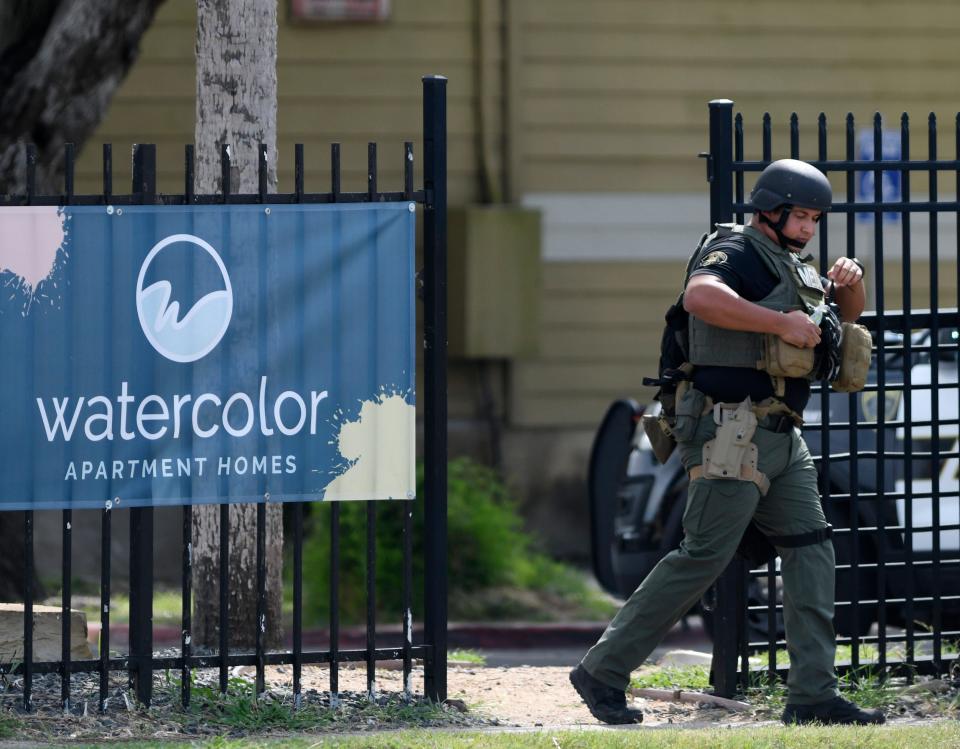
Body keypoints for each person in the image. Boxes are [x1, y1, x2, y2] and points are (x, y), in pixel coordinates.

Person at [569, 159, 883, 726]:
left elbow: (841, 320)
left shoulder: (795, 263)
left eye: (816, 218)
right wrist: (778, 323)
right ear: (771, 210)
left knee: (812, 550)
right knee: (703, 557)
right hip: (729, 430)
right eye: (802, 216)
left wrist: (851, 285)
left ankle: (813, 693)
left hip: (781, 434)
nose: (810, 227)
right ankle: (603, 670)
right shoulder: (735, 249)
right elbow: (700, 297)